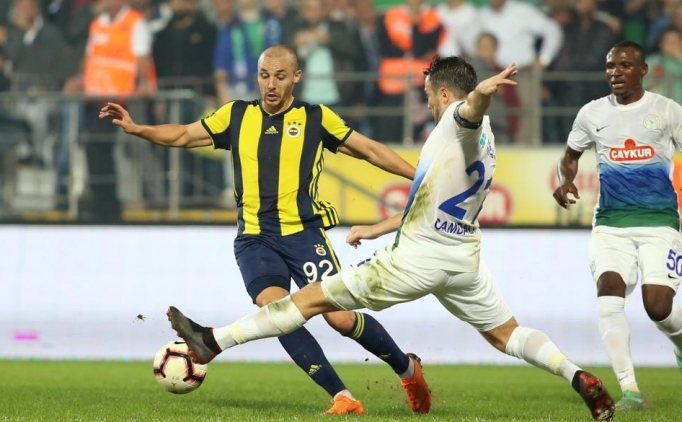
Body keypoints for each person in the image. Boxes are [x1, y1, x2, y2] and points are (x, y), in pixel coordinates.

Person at [166, 55, 617, 421]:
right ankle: (577, 375)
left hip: (416, 261)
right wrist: (378, 227)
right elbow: (430, 202)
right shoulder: (488, 144)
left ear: (445, 94)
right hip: (464, 260)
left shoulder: (456, 121)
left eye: (429, 96)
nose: (428, 105)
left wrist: (480, 93)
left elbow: (469, 111)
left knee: (309, 300)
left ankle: (213, 340)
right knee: (507, 335)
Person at [99, 44, 430, 415]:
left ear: (296, 78)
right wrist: (137, 128)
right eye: (264, 75)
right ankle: (342, 396)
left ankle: (407, 369)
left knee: (339, 317)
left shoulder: (316, 118)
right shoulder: (236, 115)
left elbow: (369, 149)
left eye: (280, 76)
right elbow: (183, 135)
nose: (271, 85)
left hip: (304, 235)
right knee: (277, 312)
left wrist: (420, 176)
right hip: (255, 239)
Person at [553, 40, 682, 411]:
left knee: (658, 307)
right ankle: (631, 390)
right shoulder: (592, 113)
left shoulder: (666, 110)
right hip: (610, 222)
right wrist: (566, 180)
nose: (616, 72)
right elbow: (570, 156)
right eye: (611, 66)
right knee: (608, 290)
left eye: (625, 65)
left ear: (643, 70)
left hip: (659, 222)